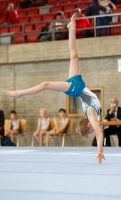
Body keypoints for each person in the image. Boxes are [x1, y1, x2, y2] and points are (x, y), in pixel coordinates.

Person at [5, 14, 105, 164]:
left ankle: (20, 93)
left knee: (46, 84)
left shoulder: (91, 114)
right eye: (92, 129)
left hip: (76, 89)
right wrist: (99, 146)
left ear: (89, 124)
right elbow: (98, 131)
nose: (95, 128)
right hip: (78, 85)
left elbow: (98, 133)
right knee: (74, 56)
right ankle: (71, 29)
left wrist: (99, 151)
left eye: (91, 129)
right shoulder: (92, 115)